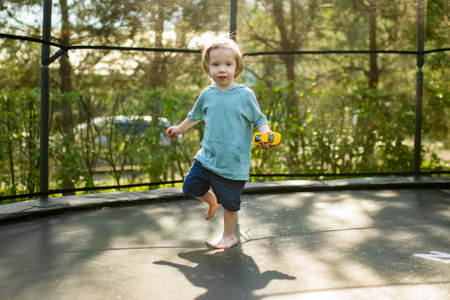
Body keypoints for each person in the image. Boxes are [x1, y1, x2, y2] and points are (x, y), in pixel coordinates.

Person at [166, 37, 275, 249]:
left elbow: (259, 120)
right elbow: (194, 116)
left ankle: (228, 236)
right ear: (208, 68)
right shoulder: (207, 94)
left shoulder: (244, 95)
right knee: (190, 187)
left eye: (228, 64)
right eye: (215, 64)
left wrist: (266, 134)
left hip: (232, 163)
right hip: (207, 157)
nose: (221, 69)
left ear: (237, 67)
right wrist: (179, 128)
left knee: (231, 205)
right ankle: (212, 201)